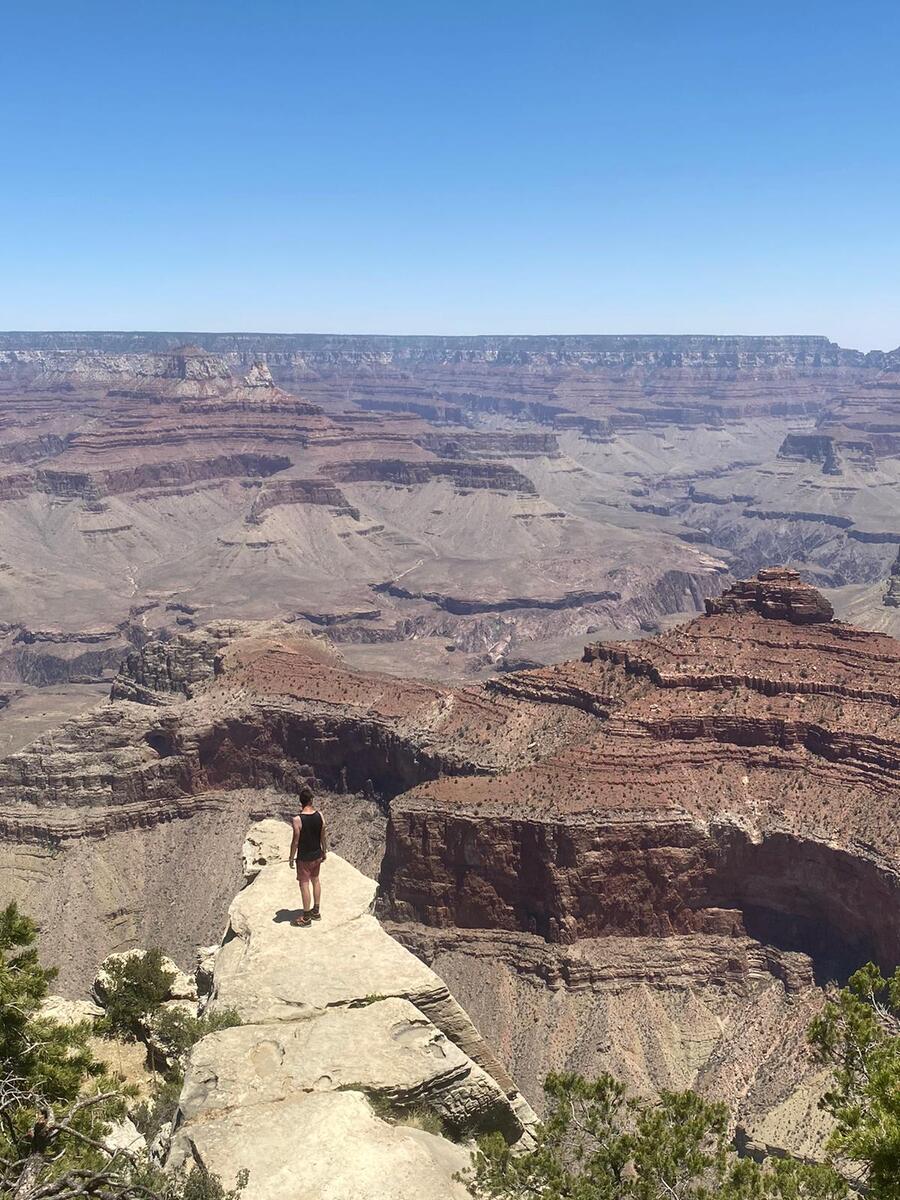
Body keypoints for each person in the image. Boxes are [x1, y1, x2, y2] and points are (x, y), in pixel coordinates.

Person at [289, 789, 327, 928]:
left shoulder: (297, 820)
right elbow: (323, 836)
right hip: (317, 855)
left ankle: (306, 918)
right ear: (311, 800)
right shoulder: (320, 816)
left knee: (304, 884)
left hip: (304, 858)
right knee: (316, 881)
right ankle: (316, 912)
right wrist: (325, 851)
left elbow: (295, 842)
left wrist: (291, 857)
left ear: (301, 802)